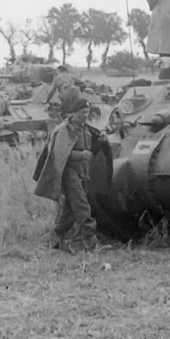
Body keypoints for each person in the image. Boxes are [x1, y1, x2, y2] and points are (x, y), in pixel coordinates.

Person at [33, 97, 112, 250]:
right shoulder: (63, 130)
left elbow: (91, 148)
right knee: (82, 206)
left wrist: (101, 141)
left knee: (69, 210)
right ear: (73, 113)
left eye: (87, 112)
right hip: (67, 173)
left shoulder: (85, 129)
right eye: (82, 112)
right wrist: (79, 155)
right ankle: (90, 242)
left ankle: (55, 240)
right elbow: (57, 154)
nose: (85, 115)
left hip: (81, 172)